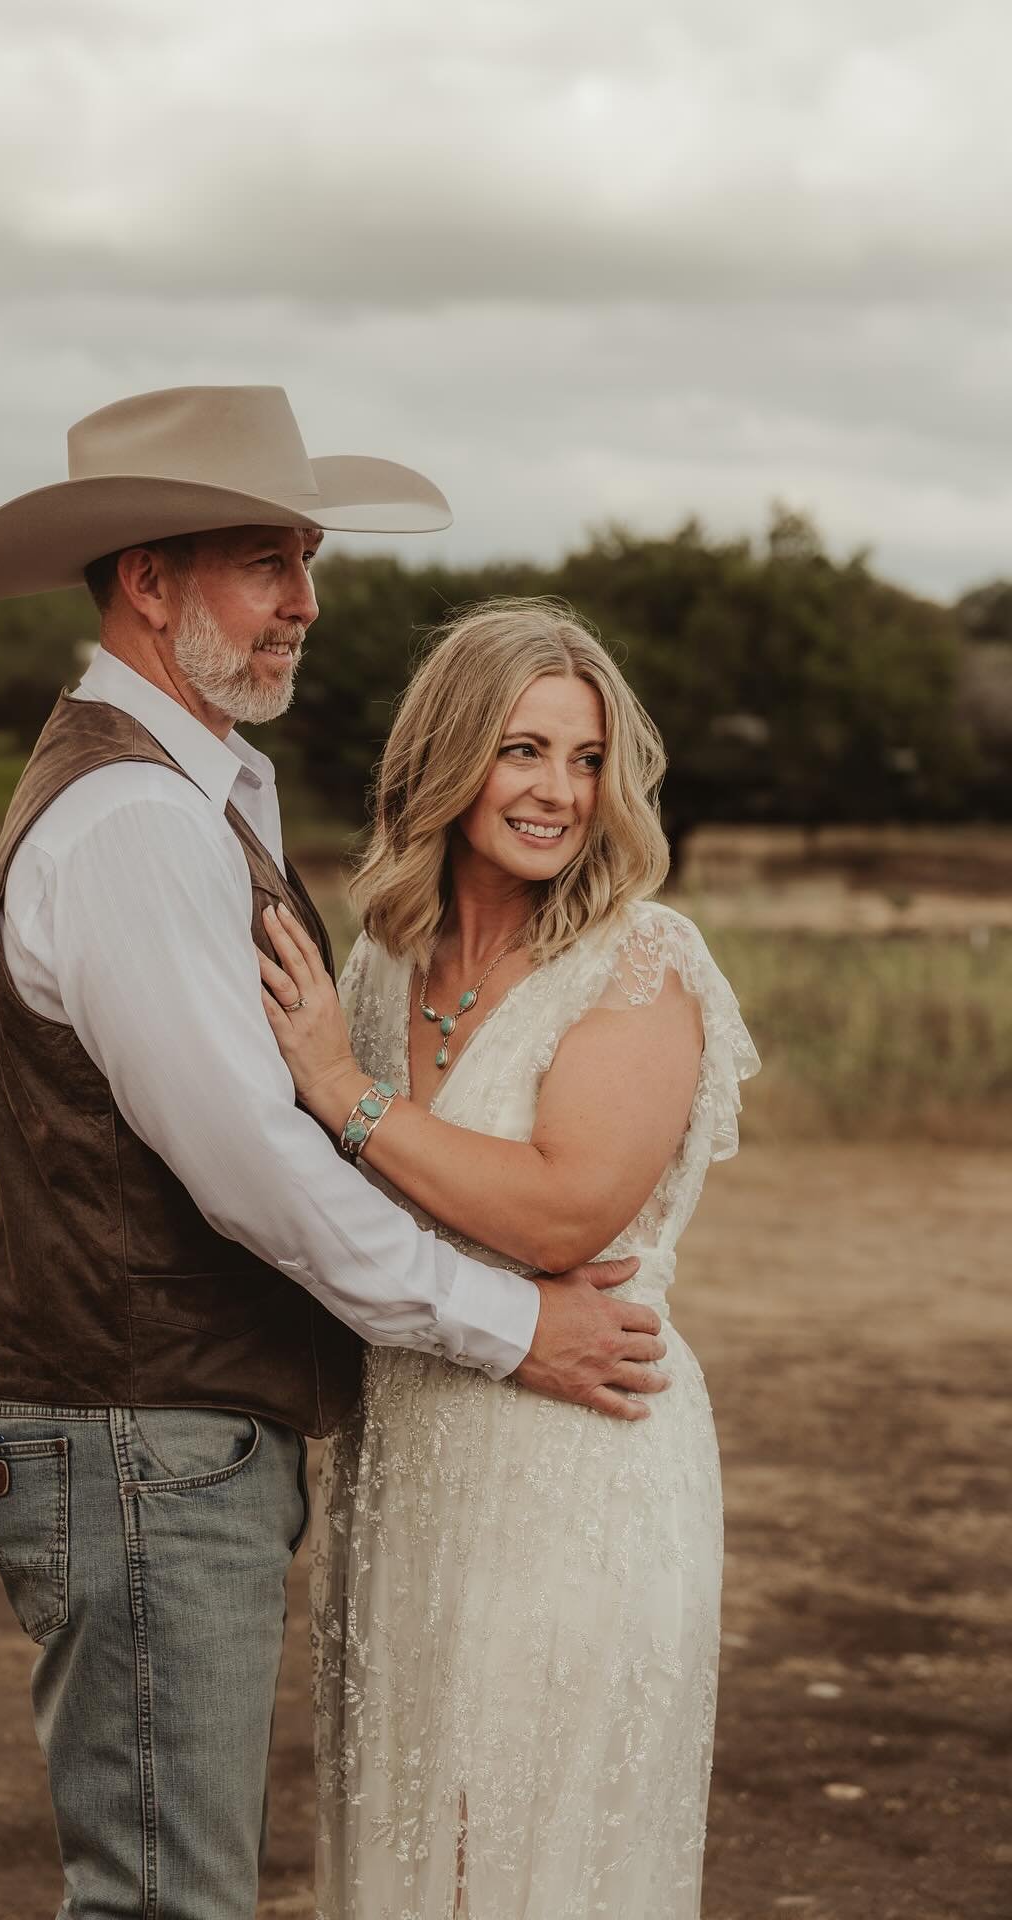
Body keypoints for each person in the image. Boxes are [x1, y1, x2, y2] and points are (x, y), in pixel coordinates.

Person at [0, 388, 671, 1920]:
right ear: (148, 580)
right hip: (139, 1441)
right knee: (163, 1901)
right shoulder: (134, 828)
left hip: (175, 1445)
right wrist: (512, 1324)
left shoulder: (201, 799)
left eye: (308, 558)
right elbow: (254, 1174)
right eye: (266, 562)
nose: (308, 603)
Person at [258, 599, 760, 1919]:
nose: (557, 792)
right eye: (523, 750)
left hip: (578, 1454)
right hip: (408, 1452)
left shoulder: (637, 962)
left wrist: (341, 1092)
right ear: (448, 756)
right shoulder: (378, 963)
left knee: (531, 1848)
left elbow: (562, 1215)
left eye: (586, 760)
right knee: (415, 1828)